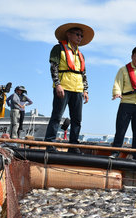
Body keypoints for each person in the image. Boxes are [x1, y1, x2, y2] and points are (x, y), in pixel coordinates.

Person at [44, 23, 94, 154]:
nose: (80, 37)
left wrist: (86, 90)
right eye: (77, 34)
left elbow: (83, 73)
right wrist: (57, 84)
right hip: (64, 87)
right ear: (69, 34)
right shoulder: (58, 48)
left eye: (81, 35)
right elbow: (53, 67)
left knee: (77, 119)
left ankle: (73, 145)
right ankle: (49, 143)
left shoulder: (80, 54)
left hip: (77, 89)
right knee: (57, 115)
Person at [110, 46, 136, 160]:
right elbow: (117, 83)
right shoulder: (123, 70)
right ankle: (116, 151)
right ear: (132, 56)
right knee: (120, 129)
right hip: (126, 103)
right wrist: (117, 93)